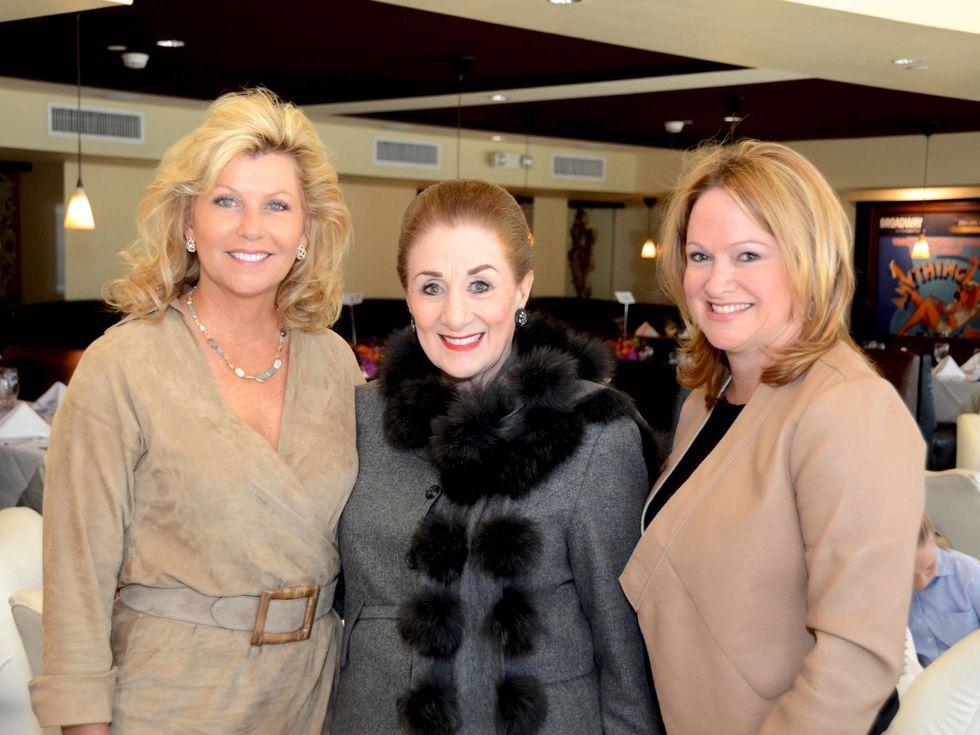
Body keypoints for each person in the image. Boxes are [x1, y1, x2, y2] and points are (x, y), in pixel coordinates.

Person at [29, 88, 361, 734]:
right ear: (187, 221)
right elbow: (75, 580)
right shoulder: (123, 366)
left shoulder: (336, 365)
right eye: (226, 201)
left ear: (306, 230)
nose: (251, 228)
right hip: (173, 697)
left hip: (314, 698)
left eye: (277, 205)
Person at [331, 179, 662, 735]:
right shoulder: (361, 417)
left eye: (481, 284)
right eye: (431, 287)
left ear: (522, 289)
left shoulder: (593, 433)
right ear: (407, 295)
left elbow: (624, 647)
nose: (455, 315)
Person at [620, 140, 925, 735]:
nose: (716, 280)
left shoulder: (847, 407)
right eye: (700, 255)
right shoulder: (709, 400)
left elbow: (856, 658)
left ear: (807, 259)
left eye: (749, 254)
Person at [909, 515, 980, 667]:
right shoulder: (883, 588)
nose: (921, 583)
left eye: (929, 567)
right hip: (921, 681)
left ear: (933, 540)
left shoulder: (970, 575)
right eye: (908, 575)